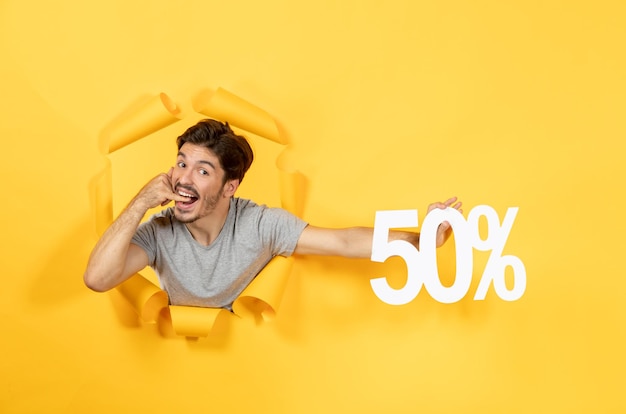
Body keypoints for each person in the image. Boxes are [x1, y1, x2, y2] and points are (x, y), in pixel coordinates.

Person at [84, 119, 462, 309]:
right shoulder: (158, 231)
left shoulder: (260, 225)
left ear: (229, 186)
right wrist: (140, 202)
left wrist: (423, 238)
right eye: (181, 163)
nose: (183, 178)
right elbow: (98, 279)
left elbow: (344, 240)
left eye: (202, 170)